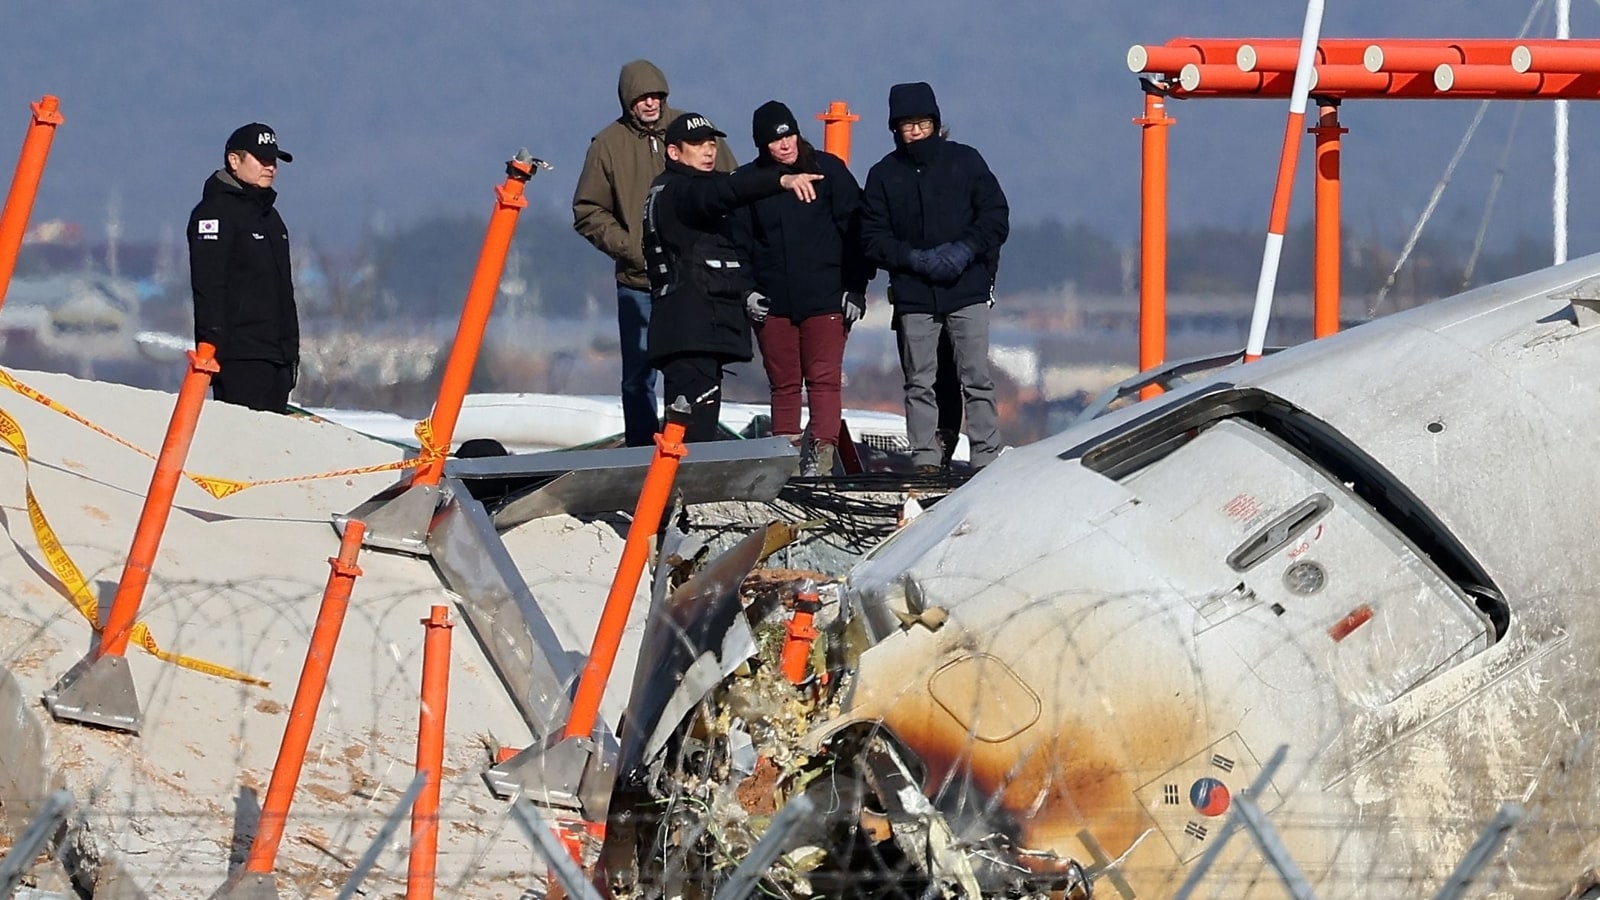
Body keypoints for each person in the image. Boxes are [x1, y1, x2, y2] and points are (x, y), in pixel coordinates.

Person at [572, 59, 736, 447]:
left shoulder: (694, 130)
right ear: (627, 101)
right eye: (641, 97)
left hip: (695, 279)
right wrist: (633, 250)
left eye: (655, 96)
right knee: (639, 374)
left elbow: (731, 188)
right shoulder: (606, 146)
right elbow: (588, 211)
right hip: (639, 281)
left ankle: (693, 446)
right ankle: (642, 453)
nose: (649, 104)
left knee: (697, 368)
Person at [643, 112, 825, 443]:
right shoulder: (682, 191)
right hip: (690, 331)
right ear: (674, 152)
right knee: (691, 435)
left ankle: (679, 486)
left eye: (712, 143)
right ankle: (681, 491)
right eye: (697, 145)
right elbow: (722, 192)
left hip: (690, 330)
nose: (708, 151)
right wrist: (780, 180)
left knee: (688, 428)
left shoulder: (667, 189)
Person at [861, 82, 1009, 473]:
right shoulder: (883, 175)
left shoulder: (967, 161)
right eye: (906, 125)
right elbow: (872, 237)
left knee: (976, 376)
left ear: (936, 122)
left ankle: (986, 456)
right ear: (894, 128)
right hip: (913, 293)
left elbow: (994, 216)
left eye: (922, 123)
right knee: (919, 381)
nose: (915, 132)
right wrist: (912, 258)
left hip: (967, 289)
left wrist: (965, 250)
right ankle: (925, 457)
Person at [729, 101, 872, 477]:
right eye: (776, 141)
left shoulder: (830, 172)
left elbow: (858, 232)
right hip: (773, 302)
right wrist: (746, 291)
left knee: (823, 380)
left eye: (789, 135)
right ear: (763, 145)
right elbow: (738, 244)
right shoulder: (751, 182)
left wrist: (855, 287)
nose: (785, 145)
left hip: (826, 297)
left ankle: (821, 456)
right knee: (784, 384)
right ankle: (785, 456)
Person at [188, 122, 299, 413]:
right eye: (261, 159)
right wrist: (211, 348)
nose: (270, 167)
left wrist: (290, 352)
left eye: (273, 161)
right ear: (234, 161)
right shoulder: (214, 213)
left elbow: (282, 291)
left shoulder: (272, 218)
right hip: (239, 357)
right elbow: (209, 285)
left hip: (278, 358)